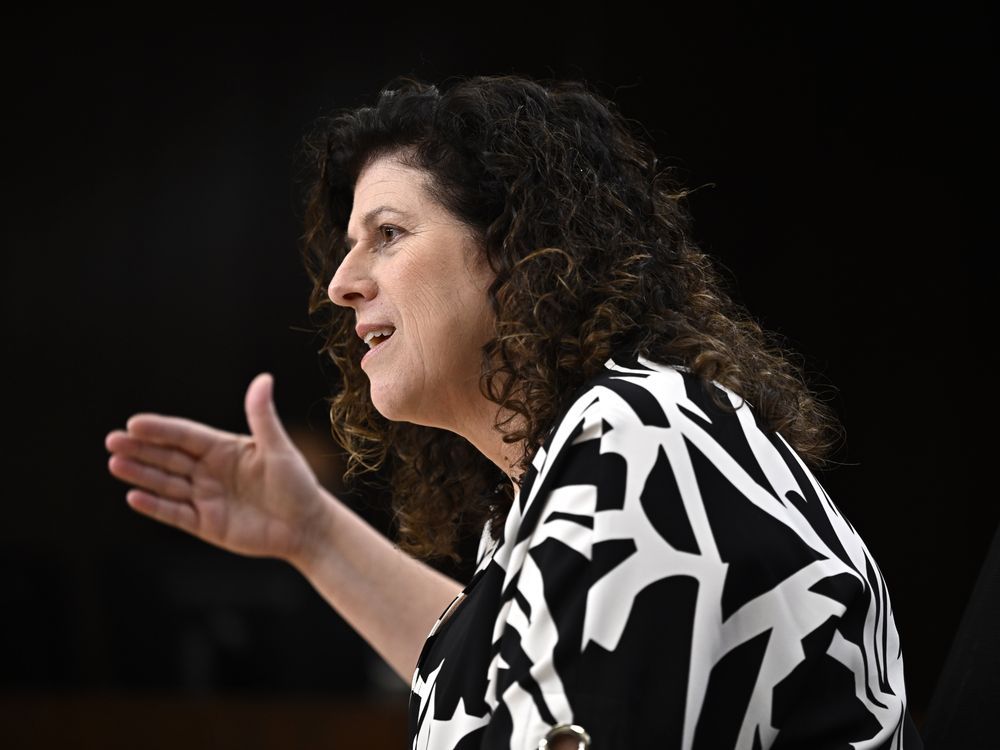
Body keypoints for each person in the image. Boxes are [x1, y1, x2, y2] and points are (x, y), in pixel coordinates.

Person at [105, 75, 922, 749]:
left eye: (387, 233)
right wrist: (311, 535)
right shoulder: (602, 455)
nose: (341, 283)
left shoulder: (637, 443)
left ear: (521, 251)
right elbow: (494, 673)